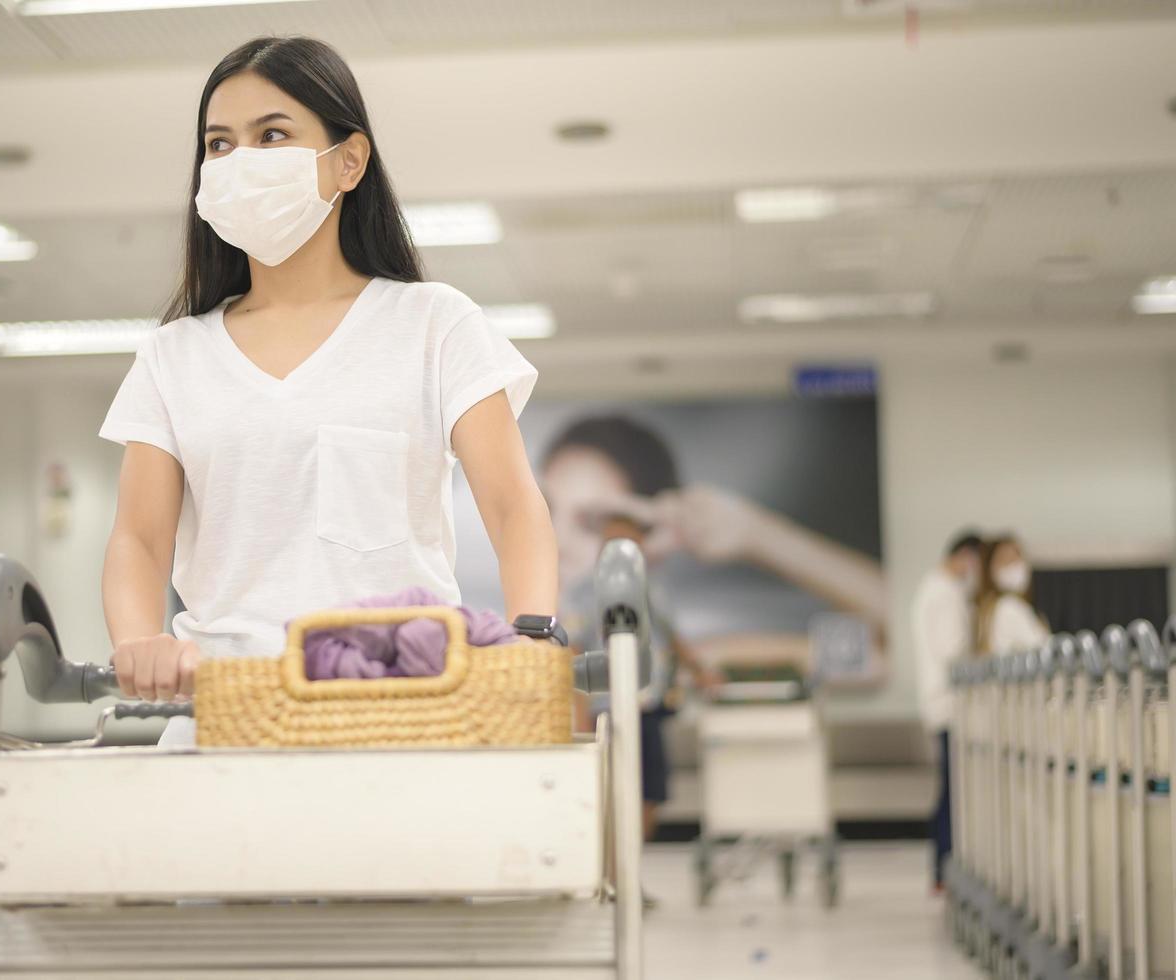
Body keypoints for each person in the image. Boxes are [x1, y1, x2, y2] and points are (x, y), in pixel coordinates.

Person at [97, 36, 559, 746]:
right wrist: (138, 643)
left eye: (271, 135)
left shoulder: (434, 324)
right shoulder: (172, 356)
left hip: (403, 708)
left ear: (349, 161)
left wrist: (532, 637)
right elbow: (138, 538)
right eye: (218, 145)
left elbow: (511, 506)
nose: (238, 162)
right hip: (224, 712)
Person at [540, 415, 887, 675]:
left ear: (648, 546)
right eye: (545, 512)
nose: (558, 542)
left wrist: (754, 533)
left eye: (590, 524)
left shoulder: (669, 630)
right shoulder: (511, 638)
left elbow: (880, 654)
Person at [566, 512, 721, 908]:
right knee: (607, 793)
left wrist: (701, 673)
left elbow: (674, 637)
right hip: (607, 709)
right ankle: (607, 877)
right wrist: (580, 713)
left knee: (649, 792)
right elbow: (574, 652)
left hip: (648, 706)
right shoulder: (583, 593)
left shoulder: (654, 589)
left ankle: (628, 875)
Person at [910, 529, 984, 893]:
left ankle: (943, 868)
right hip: (948, 705)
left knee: (950, 789)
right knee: (953, 792)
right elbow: (953, 650)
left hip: (941, 703)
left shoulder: (933, 589)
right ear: (965, 557)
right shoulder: (944, 593)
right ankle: (943, 868)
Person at [974, 534, 1049, 655]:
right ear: (990, 569)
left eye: (1017, 557)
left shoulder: (995, 608)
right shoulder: (1009, 607)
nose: (1015, 565)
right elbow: (1044, 651)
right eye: (1006, 560)